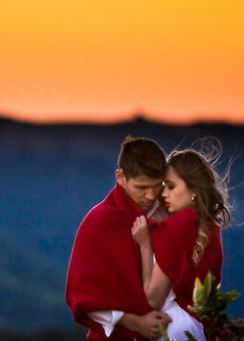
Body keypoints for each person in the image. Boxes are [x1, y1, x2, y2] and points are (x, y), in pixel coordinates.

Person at [65, 136, 173, 339]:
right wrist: (135, 323)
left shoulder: (173, 208)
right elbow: (83, 298)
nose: (151, 195)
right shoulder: (99, 222)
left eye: (156, 185)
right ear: (121, 177)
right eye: (141, 187)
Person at [130, 141, 231, 341]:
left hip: (174, 328)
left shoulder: (177, 227)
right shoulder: (208, 223)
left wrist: (144, 244)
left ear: (193, 189)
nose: (164, 194)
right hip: (200, 327)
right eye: (162, 187)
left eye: (171, 187)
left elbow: (152, 300)